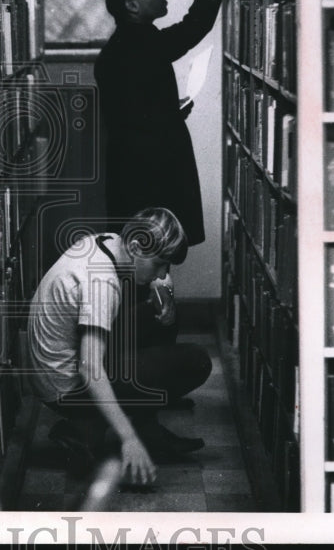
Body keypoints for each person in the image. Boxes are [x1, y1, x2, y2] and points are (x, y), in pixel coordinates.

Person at [93, 0, 226, 373]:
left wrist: (170, 111)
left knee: (149, 273)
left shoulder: (129, 46)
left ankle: (153, 374)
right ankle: (152, 377)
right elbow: (194, 28)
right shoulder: (138, 44)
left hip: (139, 174)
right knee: (150, 273)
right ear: (131, 5)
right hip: (148, 180)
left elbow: (135, 114)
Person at [27, 207, 212, 485]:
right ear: (137, 247)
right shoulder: (103, 282)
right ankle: (95, 427)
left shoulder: (108, 242)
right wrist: (129, 440)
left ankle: (110, 427)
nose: (162, 273)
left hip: (56, 368)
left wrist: (165, 291)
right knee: (195, 361)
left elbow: (156, 287)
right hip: (67, 388)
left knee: (160, 316)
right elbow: (90, 368)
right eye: (159, 264)